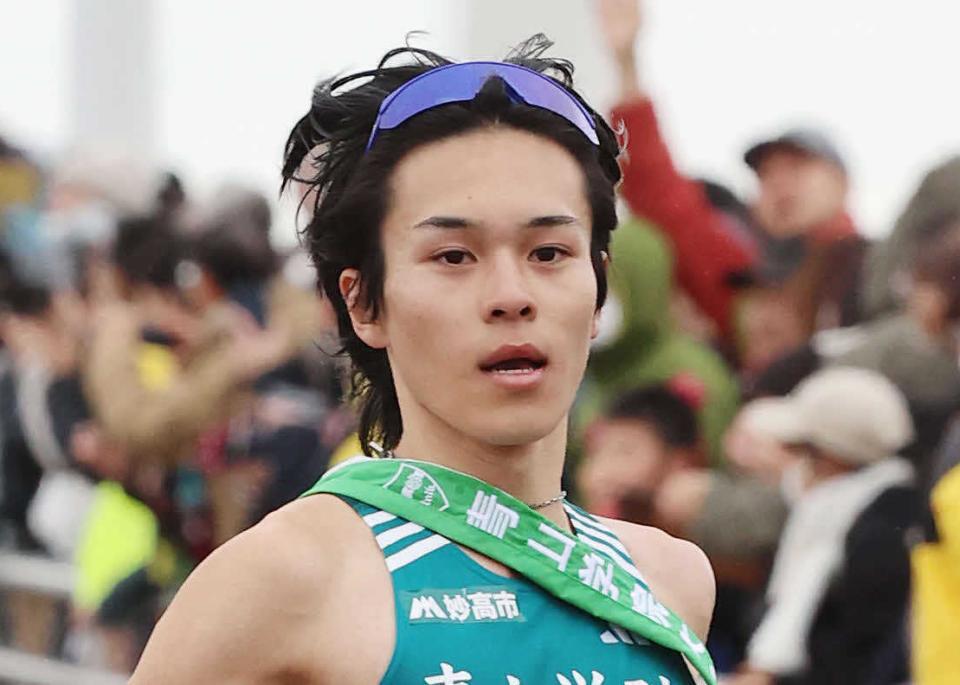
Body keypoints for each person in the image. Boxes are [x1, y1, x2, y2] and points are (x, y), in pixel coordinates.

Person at [130, 37, 717, 684]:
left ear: (599, 288)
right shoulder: (288, 577)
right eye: (453, 256)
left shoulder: (671, 579)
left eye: (549, 253)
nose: (511, 296)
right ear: (363, 303)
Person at [596, 0, 866, 370]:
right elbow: (657, 189)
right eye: (766, 175)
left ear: (842, 183)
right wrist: (626, 61)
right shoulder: (738, 274)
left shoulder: (872, 269)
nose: (779, 183)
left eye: (797, 166)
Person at [730, 367, 918, 685]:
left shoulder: (869, 526)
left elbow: (851, 650)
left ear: (836, 455)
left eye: (809, 450)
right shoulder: (869, 503)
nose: (800, 463)